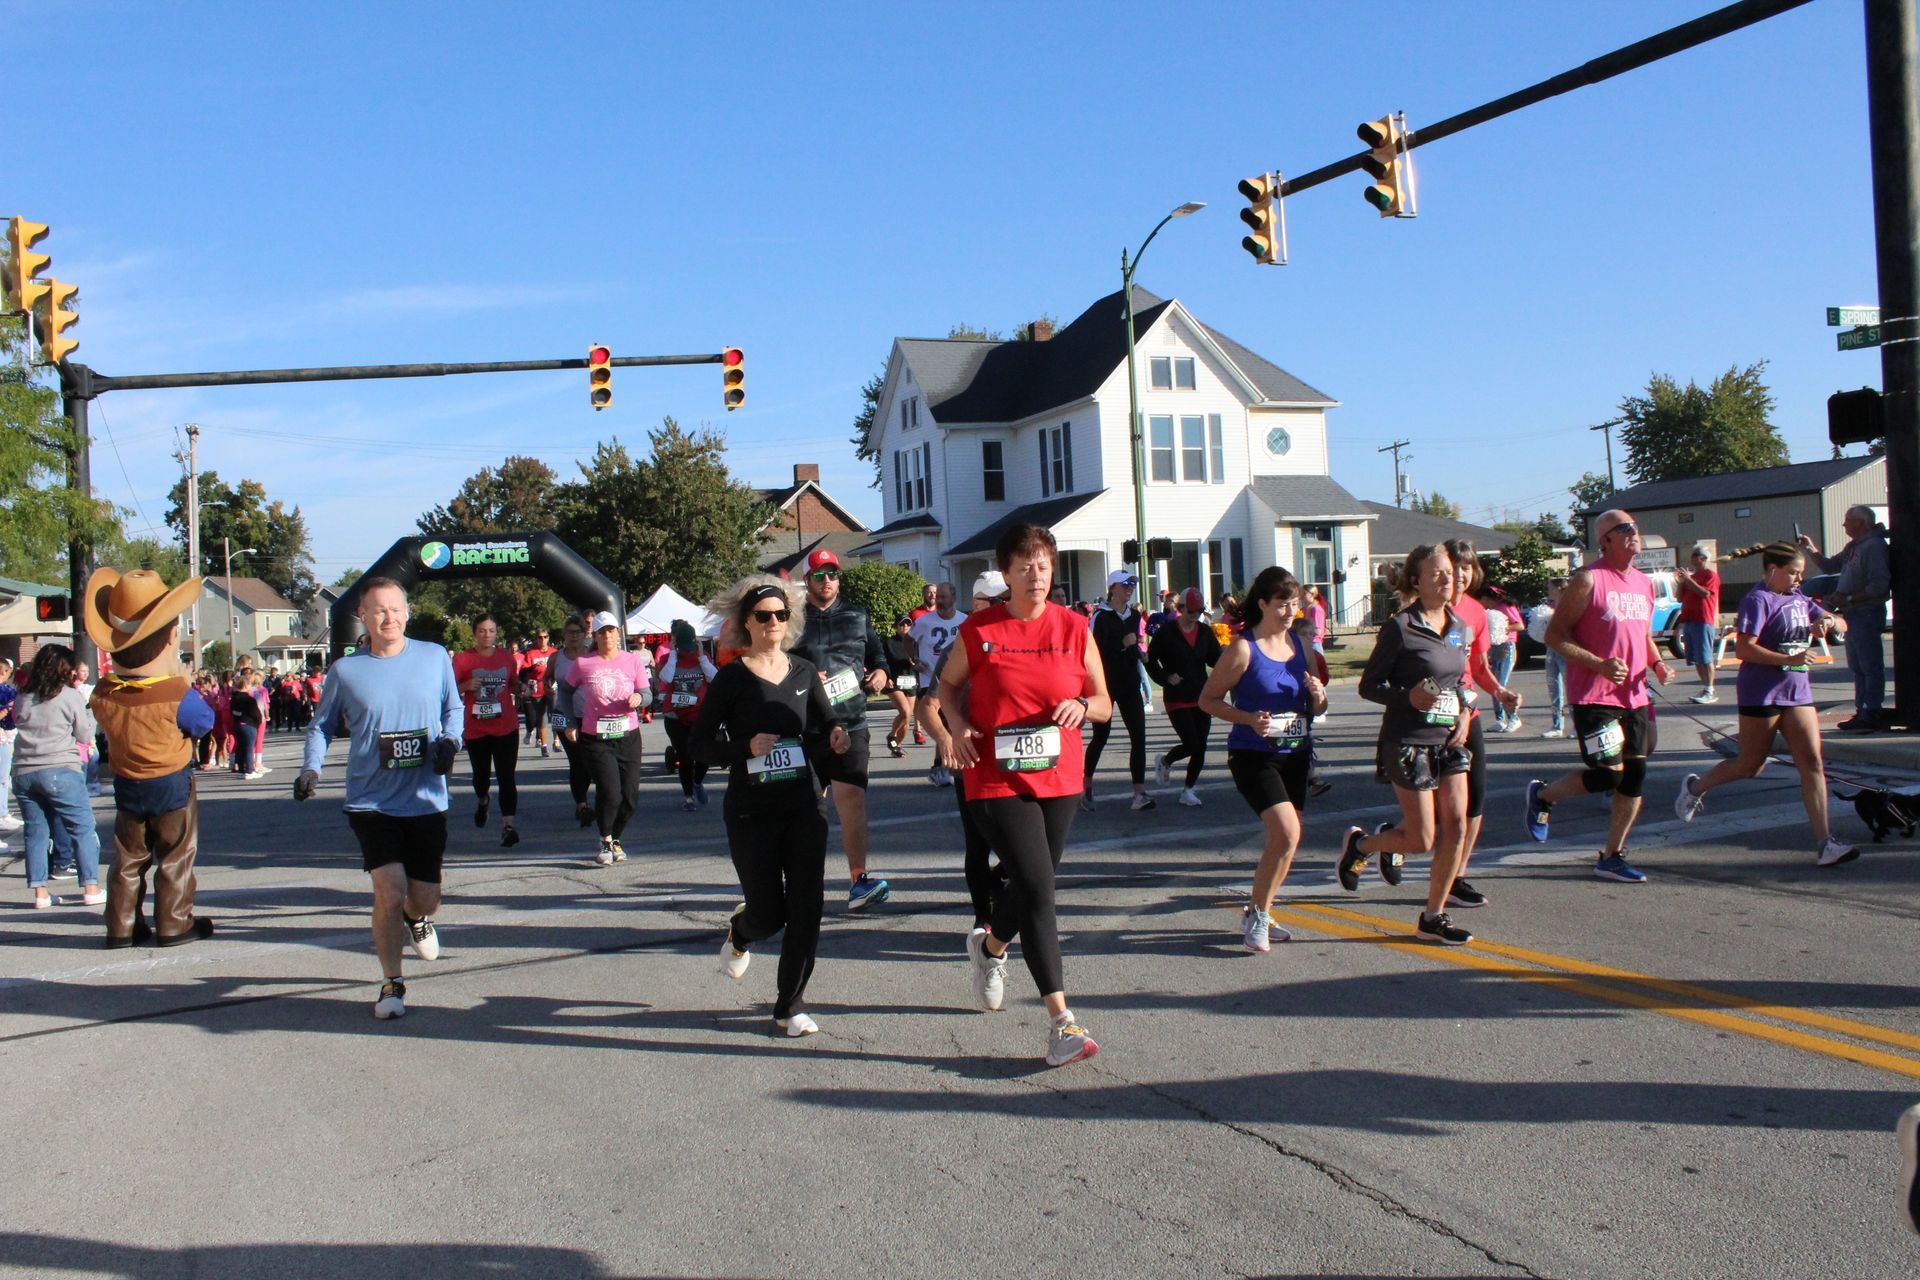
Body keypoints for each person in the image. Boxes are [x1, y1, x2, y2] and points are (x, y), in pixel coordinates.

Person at [937, 522, 1113, 1068]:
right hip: (995, 776)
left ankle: (990, 946)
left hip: (1059, 776)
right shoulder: (980, 629)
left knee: (1035, 882)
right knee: (1038, 888)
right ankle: (1062, 1022)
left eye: (1043, 565)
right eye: (1024, 567)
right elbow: (946, 688)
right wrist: (956, 726)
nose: (1036, 575)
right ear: (1006, 574)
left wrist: (1081, 706)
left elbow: (1103, 701)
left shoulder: (1075, 627)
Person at [297, 577, 464, 1019]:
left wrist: (451, 740)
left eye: (396, 608)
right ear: (363, 617)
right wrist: (311, 768)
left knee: (424, 897)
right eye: (379, 610)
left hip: (426, 798)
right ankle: (392, 983)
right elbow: (321, 726)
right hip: (371, 800)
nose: (389, 617)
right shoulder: (346, 670)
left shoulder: (434, 657)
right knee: (388, 891)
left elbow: (454, 709)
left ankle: (418, 917)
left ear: (407, 612)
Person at [693, 576, 851, 1037]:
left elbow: (827, 722)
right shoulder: (731, 678)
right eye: (763, 616)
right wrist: (744, 748)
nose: (774, 623)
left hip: (804, 804)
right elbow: (699, 745)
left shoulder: (803, 670)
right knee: (768, 914)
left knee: (807, 907)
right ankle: (741, 933)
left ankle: (789, 1005)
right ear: (746, 622)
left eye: (781, 615)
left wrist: (836, 735)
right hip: (752, 812)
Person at [1674, 542, 1857, 865]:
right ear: (1773, 570)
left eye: (1801, 573)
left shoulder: (1798, 598)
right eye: (1794, 573)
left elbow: (1841, 623)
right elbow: (1745, 649)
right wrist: (1789, 658)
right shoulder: (1757, 600)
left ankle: (1825, 843)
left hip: (1797, 693)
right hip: (1762, 693)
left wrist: (1828, 623)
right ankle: (1696, 786)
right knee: (1750, 765)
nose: (1799, 579)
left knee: (1812, 763)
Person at [1524, 510, 1676, 883]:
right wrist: (1599, 664)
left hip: (1634, 695)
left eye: (1635, 527)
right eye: (1625, 529)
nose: (1634, 533)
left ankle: (1612, 855)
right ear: (1605, 539)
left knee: (1634, 777)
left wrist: (1658, 664)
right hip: (1594, 694)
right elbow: (1555, 635)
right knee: (1608, 774)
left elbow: (1642, 634)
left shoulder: (1643, 583)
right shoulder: (1589, 579)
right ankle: (1544, 796)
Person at [1342, 546, 1476, 944]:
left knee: (1457, 825)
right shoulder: (1401, 627)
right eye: (1436, 574)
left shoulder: (1459, 626)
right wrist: (1407, 697)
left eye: (1450, 572)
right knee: (1422, 839)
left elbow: (1460, 680)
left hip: (1448, 739)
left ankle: (1433, 916)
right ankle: (1363, 845)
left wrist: (1465, 711)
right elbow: (1369, 685)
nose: (1447, 579)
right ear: (1416, 581)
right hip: (1408, 741)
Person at [84, 566, 220, 948]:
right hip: (171, 782)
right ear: (171, 636)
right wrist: (183, 681)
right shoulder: (175, 693)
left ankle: (121, 925)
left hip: (127, 784)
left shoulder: (104, 693)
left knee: (128, 857)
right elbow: (203, 722)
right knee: (175, 855)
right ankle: (174, 923)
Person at [1198, 567, 1325, 952]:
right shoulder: (1243, 649)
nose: (1290, 612)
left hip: (1296, 753)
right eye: (1283, 604)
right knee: (1286, 833)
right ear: (1263, 604)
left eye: (1295, 604)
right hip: (1253, 755)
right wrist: (1248, 718)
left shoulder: (1301, 646)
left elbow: (1316, 707)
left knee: (1288, 841)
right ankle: (1258, 915)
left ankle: (1259, 910)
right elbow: (1208, 700)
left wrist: (1319, 697)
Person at [789, 547, 894, 910]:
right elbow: (776, 664)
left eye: (832, 574)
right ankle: (802, 884)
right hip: (807, 727)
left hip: (851, 721)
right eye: (819, 575)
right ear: (807, 580)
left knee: (852, 801)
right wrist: (803, 677)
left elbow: (878, 655)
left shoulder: (856, 614)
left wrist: (880, 672)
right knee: (807, 809)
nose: (827, 581)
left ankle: (858, 881)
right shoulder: (792, 619)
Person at [916, 573, 1012, 933]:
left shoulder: (1021, 640)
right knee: (978, 843)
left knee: (1028, 844)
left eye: (1007, 599)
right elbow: (928, 708)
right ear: (977, 604)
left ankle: (1000, 882)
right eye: (997, 601)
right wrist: (945, 740)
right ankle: (983, 917)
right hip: (972, 759)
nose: (1005, 607)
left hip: (1015, 756)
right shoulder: (961, 647)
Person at [1443, 541, 1523, 909]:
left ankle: (1456, 877)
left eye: (1467, 567)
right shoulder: (1428, 609)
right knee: (1430, 811)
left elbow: (1478, 667)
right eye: (1454, 566)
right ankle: (1380, 842)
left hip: (1468, 716)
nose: (1461, 574)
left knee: (1474, 801)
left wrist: (1500, 692)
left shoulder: (1476, 612)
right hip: (1432, 719)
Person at [10, 645, 104, 911]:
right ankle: (91, 888)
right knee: (81, 828)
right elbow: (84, 735)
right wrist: (88, 713)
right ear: (65, 669)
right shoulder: (69, 695)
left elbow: (18, 722)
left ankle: (40, 893)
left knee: (36, 833)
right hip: (61, 768)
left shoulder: (23, 696)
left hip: (24, 771)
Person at [566, 611, 652, 866]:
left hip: (628, 735)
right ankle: (605, 839)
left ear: (618, 633)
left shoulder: (632, 661)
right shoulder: (584, 663)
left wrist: (639, 698)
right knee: (611, 791)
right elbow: (565, 692)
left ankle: (615, 837)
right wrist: (570, 722)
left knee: (630, 797)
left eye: (611, 631)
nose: (607, 636)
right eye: (602, 632)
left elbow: (647, 694)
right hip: (596, 737)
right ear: (595, 636)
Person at [1798, 506, 1892, 732]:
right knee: (1858, 666)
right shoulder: (1854, 546)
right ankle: (1863, 710)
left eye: (1848, 520)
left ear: (1861, 523)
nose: (1844, 524)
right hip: (1853, 612)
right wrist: (1811, 549)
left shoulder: (1874, 546)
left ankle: (1872, 711)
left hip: (1866, 611)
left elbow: (1879, 585)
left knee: (1869, 665)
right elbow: (1830, 565)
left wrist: (1848, 596)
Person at [1147, 586, 1222, 807]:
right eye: (1191, 611)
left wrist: (1228, 655)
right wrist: (1166, 677)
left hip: (1201, 694)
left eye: (1199, 611)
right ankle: (1165, 760)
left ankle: (1188, 790)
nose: (1196, 615)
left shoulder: (1205, 632)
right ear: (1181, 609)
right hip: (1177, 696)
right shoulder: (1167, 632)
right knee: (1191, 743)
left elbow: (1214, 659)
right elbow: (1150, 660)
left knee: (1201, 745)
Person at [1085, 569, 1152, 811]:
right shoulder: (1100, 616)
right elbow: (1093, 650)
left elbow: (1133, 646)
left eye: (1132, 584)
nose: (1130, 588)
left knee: (1139, 736)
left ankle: (1139, 793)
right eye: (1125, 584)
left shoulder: (1134, 615)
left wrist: (1140, 655)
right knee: (1101, 736)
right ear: (1112, 588)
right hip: (1105, 684)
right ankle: (1086, 787)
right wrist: (1121, 645)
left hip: (1129, 682)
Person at [454, 616, 523, 848]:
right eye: (482, 631)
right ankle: (483, 800)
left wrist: (520, 688)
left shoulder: (506, 657)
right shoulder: (463, 659)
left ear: (496, 633)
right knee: (481, 777)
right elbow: (448, 690)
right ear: (475, 633)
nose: (487, 635)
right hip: (477, 729)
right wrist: (465, 686)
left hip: (506, 727)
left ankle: (508, 826)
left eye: (491, 631)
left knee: (506, 776)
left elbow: (512, 682)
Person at [909, 583, 967, 787]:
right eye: (937, 596)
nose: (938, 600)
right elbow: (908, 639)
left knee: (950, 724)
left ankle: (941, 766)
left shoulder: (964, 620)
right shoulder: (924, 621)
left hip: (956, 680)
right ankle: (941, 766)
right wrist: (913, 659)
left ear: (954, 597)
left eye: (943, 596)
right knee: (943, 722)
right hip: (930, 679)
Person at [658, 620, 717, 812]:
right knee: (684, 756)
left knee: (704, 754)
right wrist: (673, 654)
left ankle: (697, 783)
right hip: (675, 716)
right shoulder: (667, 659)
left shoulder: (703, 656)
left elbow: (715, 678)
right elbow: (666, 678)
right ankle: (689, 797)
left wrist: (701, 657)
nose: (686, 651)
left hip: (699, 715)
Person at [543, 617, 595, 827]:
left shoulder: (592, 655)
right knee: (576, 760)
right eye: (569, 632)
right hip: (564, 714)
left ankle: (585, 799)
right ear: (564, 634)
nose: (573, 636)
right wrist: (547, 686)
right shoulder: (557, 657)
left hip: (588, 714)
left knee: (589, 760)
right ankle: (581, 805)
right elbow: (547, 678)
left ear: (585, 634)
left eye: (577, 632)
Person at [1677, 545, 1722, 703]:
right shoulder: (1692, 576)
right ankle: (1706, 688)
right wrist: (1681, 582)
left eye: (1695, 555)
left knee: (1705, 657)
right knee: (1696, 658)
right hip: (1689, 620)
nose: (1692, 557)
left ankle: (1710, 690)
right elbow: (1679, 598)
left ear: (1703, 558)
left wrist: (1689, 580)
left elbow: (1705, 593)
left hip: (1703, 620)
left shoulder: (1711, 575)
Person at [1529, 579, 1570, 738]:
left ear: (1558, 588)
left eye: (1550, 588)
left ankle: (1577, 725)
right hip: (1551, 650)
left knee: (1570, 688)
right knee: (1553, 687)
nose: (1548, 591)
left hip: (1565, 649)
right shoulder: (1549, 606)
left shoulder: (1570, 603)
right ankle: (1557, 725)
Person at [882, 614, 920, 756]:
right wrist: (886, 676)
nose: (905, 627)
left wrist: (916, 663)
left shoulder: (916, 643)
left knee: (907, 719)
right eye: (902, 624)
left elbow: (922, 661)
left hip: (911, 682)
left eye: (908, 624)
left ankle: (896, 746)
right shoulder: (888, 643)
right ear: (896, 626)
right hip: (894, 682)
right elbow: (882, 661)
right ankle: (892, 735)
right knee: (906, 712)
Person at [520, 627, 557, 758]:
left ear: (548, 638)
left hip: (552, 688)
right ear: (536, 639)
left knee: (556, 714)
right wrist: (533, 667)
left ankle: (556, 741)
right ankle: (544, 746)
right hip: (538, 690)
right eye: (540, 637)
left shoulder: (554, 652)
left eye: (545, 637)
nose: (543, 640)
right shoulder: (531, 654)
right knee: (542, 717)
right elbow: (523, 672)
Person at [228, 670, 264, 780]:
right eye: (249, 684)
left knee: (240, 747)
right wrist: (258, 721)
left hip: (237, 724)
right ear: (245, 685)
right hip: (248, 724)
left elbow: (232, 711)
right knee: (249, 747)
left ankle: (241, 768)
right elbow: (256, 714)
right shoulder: (249, 699)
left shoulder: (233, 699)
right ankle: (249, 770)